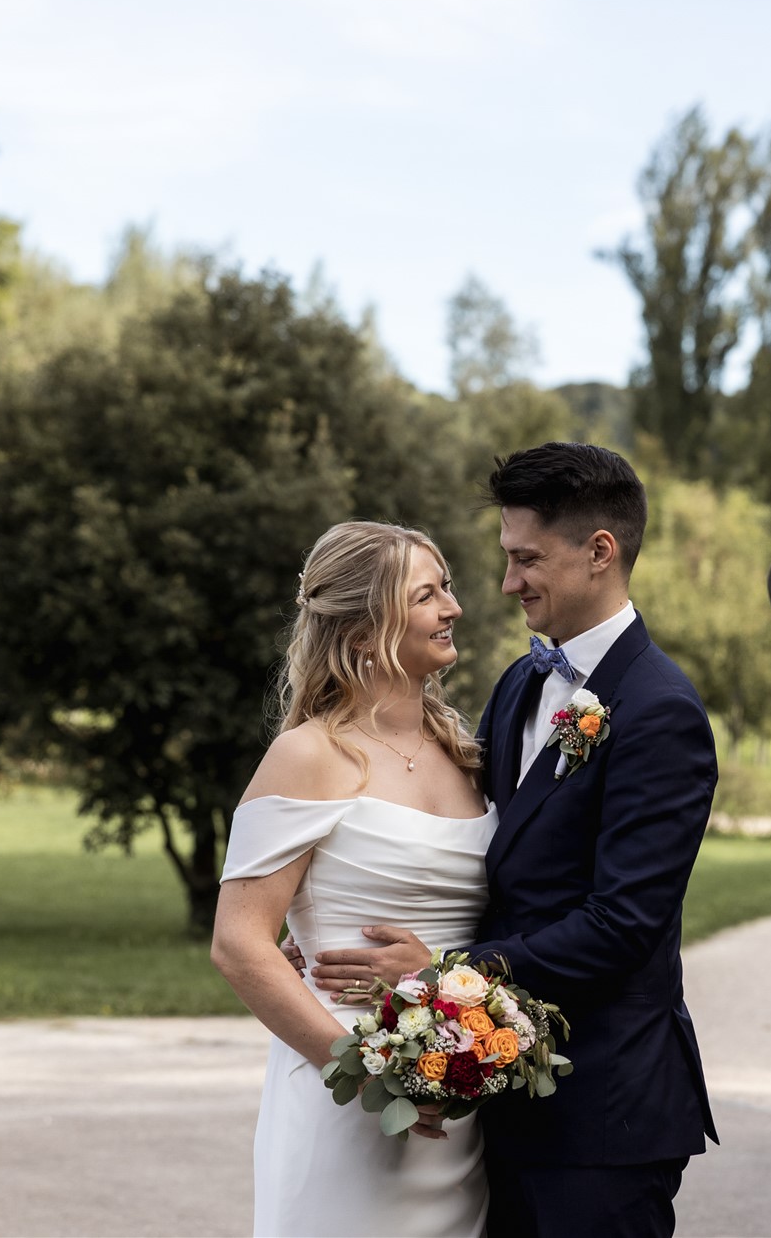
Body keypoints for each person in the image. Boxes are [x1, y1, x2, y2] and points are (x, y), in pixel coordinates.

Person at [308, 443, 719, 1238]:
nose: (506, 582)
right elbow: (481, 853)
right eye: (505, 557)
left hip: (604, 1115)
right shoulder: (520, 682)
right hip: (499, 1100)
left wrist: (444, 973)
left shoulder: (661, 709)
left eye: (526, 558)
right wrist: (330, 920)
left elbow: (622, 923)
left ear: (600, 552)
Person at [213, 521, 493, 1237]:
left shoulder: (467, 754)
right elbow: (240, 944)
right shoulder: (306, 755)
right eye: (428, 594)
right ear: (367, 631)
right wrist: (368, 1074)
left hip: (459, 1098)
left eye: (448, 588)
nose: (453, 608)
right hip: (343, 1091)